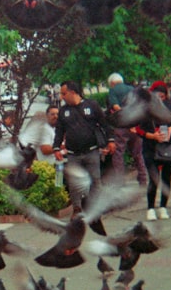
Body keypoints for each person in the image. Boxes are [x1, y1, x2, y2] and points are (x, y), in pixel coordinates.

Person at [52, 81, 114, 211]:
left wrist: (111, 140)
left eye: (64, 93)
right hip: (73, 153)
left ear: (73, 92)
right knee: (74, 182)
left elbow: (105, 124)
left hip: (91, 151)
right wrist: (56, 147)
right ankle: (77, 208)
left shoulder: (91, 105)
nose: (62, 97)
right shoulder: (63, 111)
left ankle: (95, 208)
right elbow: (59, 131)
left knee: (95, 180)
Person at [133, 81, 171, 220]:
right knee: (154, 178)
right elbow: (138, 129)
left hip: (167, 147)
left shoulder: (170, 106)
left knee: (166, 179)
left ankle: (163, 207)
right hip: (150, 148)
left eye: (162, 96)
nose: (160, 98)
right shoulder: (145, 108)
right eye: (156, 95)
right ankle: (150, 208)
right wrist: (152, 135)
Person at [106, 73, 134, 181]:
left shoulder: (113, 90)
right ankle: (143, 180)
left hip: (121, 126)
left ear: (112, 83)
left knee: (118, 155)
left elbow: (116, 106)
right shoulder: (131, 89)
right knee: (138, 155)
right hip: (135, 127)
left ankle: (120, 181)